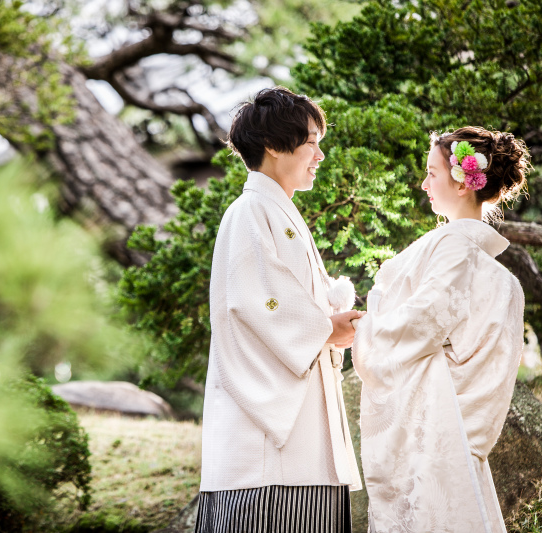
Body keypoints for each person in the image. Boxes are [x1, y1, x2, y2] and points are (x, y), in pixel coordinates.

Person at [195, 86, 363, 533]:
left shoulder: (276, 210)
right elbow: (252, 303)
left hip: (298, 417)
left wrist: (330, 317)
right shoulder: (249, 211)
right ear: (272, 145)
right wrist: (325, 328)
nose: (319, 155)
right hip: (265, 436)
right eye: (311, 142)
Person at [351, 126, 531, 533]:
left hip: (433, 426)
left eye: (431, 172)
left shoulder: (454, 246)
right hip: (456, 427)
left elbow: (423, 321)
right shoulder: (497, 274)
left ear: (465, 182)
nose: (424, 183)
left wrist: (367, 327)